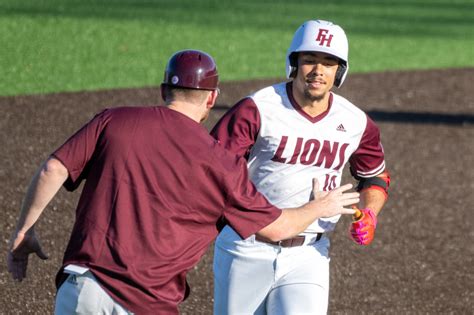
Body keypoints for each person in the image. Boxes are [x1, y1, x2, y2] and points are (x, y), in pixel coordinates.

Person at [6, 49, 360, 315]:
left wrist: (25, 230)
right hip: (148, 304)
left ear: (164, 89)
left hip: (82, 286)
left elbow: (53, 169)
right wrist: (321, 206)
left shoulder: (114, 120)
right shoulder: (220, 162)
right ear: (212, 99)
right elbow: (276, 228)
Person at [212, 20, 391, 315]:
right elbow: (210, 169)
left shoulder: (356, 122)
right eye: (310, 60)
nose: (318, 70)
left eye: (329, 63)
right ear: (294, 63)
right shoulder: (257, 108)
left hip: (309, 254)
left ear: (340, 71)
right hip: (245, 247)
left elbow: (375, 176)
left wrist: (370, 213)